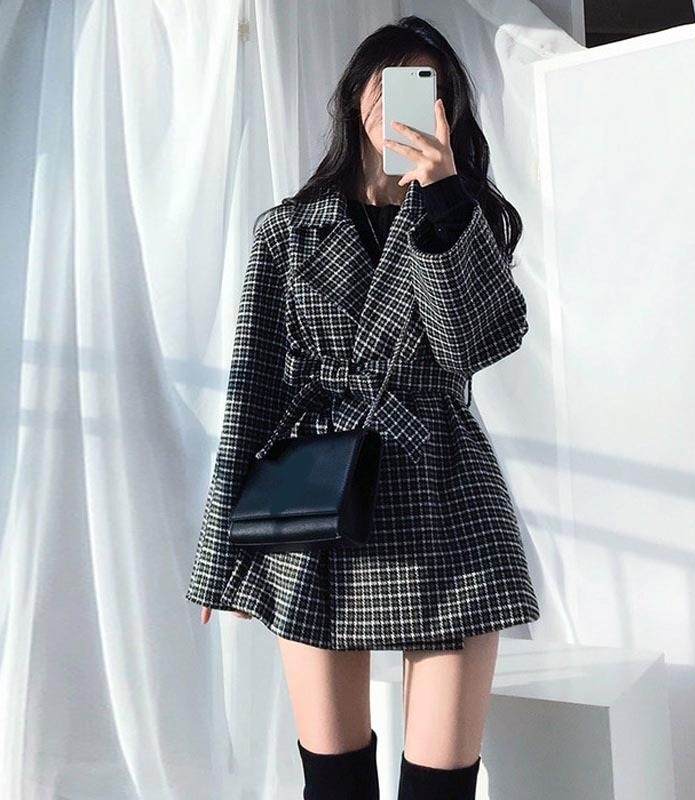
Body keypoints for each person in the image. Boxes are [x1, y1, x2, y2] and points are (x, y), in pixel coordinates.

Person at [185, 15, 540, 800]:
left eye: (424, 88)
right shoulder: (287, 232)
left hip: (443, 492)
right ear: (355, 99)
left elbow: (469, 345)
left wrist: (441, 197)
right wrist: (219, 557)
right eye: (388, 85)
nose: (401, 104)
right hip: (318, 502)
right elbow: (252, 393)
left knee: (441, 787)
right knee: (336, 784)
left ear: (447, 107)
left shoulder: (468, 219)